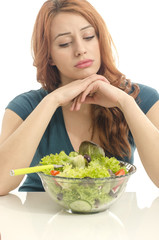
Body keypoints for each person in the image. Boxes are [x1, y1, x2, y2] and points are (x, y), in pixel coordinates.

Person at [0, 0, 159, 194]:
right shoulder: (25, 106)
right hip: (38, 216)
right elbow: (1, 181)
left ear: (100, 39)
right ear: (49, 56)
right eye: (65, 43)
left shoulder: (141, 98)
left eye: (89, 36)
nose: (80, 50)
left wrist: (125, 103)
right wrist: (52, 101)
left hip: (110, 219)